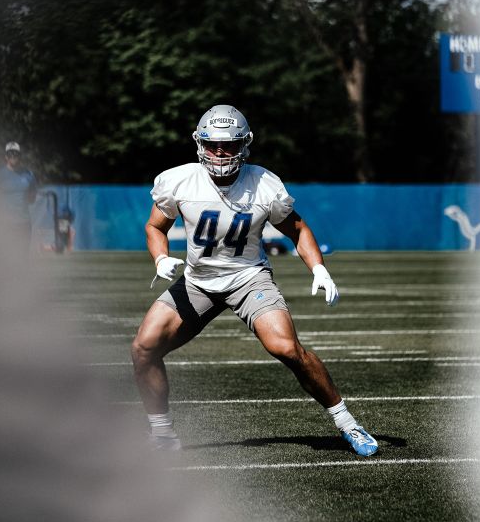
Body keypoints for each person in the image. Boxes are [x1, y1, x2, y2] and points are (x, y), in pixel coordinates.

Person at [130, 105, 378, 456]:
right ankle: (162, 435)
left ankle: (348, 423)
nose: (219, 152)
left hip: (248, 278)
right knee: (144, 348)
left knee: (287, 348)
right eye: (212, 144)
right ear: (199, 143)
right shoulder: (179, 179)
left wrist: (318, 268)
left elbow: (298, 229)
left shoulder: (264, 183)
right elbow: (155, 226)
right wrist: (161, 257)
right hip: (198, 280)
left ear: (244, 145)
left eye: (229, 145)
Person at [0, 141, 37, 251]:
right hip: (5, 223)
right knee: (6, 257)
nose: (13, 156)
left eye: (15, 153)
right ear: (6, 156)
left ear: (20, 156)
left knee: (23, 256)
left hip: (24, 222)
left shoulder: (28, 174)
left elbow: (32, 198)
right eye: (10, 154)